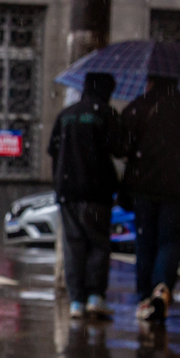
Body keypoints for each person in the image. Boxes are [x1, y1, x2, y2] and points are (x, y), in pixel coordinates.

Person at [121, 75, 180, 349]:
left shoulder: (139, 106)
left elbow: (122, 144)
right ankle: (162, 289)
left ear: (150, 81)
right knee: (170, 240)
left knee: (145, 241)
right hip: (178, 187)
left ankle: (144, 296)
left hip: (144, 187)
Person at [47, 72, 123, 320]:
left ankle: (76, 301)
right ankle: (95, 297)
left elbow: (53, 150)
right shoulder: (105, 114)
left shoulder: (66, 114)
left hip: (68, 191)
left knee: (73, 246)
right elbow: (120, 148)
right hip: (96, 191)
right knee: (98, 244)